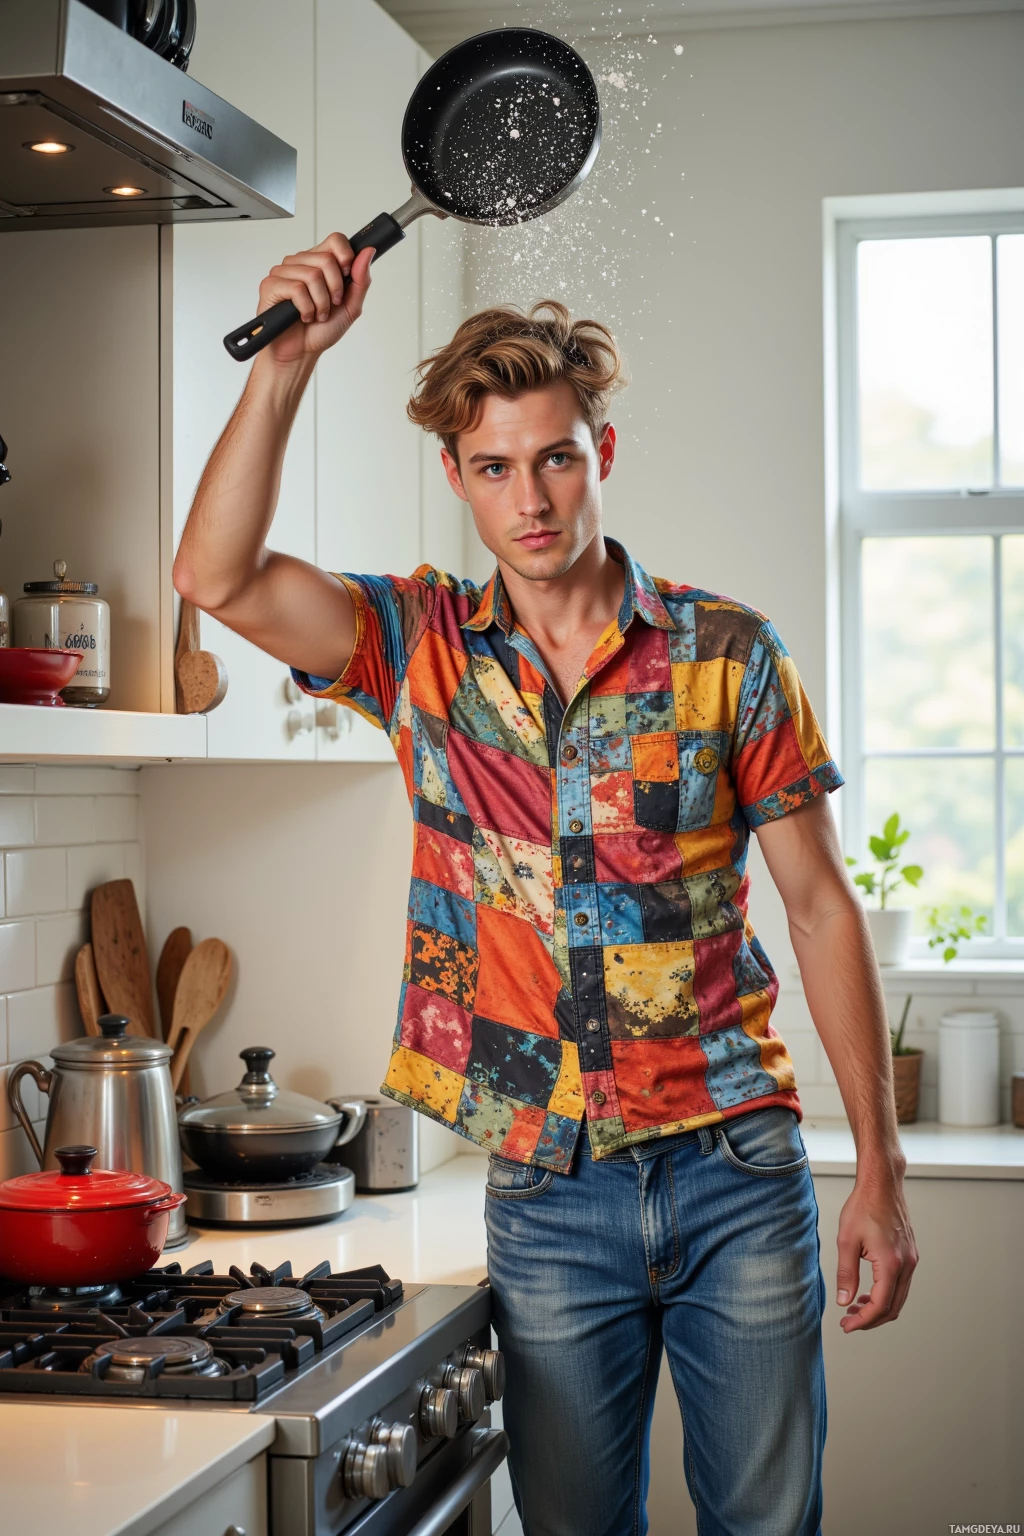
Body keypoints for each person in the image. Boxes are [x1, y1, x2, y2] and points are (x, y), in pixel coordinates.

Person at [175, 232, 919, 1536]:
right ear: (457, 479)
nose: (535, 499)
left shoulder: (729, 657)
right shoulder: (415, 648)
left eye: (558, 458)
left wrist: (882, 1173)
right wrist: (285, 370)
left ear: (602, 457)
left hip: (736, 1169)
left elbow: (818, 910)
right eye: (497, 468)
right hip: (545, 1190)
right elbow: (214, 580)